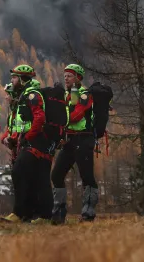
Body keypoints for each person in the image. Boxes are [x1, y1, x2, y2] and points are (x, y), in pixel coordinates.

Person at [4, 65, 53, 222]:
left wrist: (28, 137)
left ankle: (23, 213)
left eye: (14, 78)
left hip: (36, 139)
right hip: (28, 139)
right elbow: (22, 123)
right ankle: (28, 214)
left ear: (22, 79)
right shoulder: (24, 95)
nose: (12, 81)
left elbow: (39, 118)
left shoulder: (32, 95)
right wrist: (14, 137)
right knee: (32, 176)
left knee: (20, 171)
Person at [51, 63, 98, 223]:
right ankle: (59, 212)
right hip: (70, 140)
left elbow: (76, 115)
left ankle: (88, 213)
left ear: (78, 78)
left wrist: (60, 118)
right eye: (64, 75)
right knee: (56, 174)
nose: (66, 78)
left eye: (69, 75)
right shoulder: (67, 95)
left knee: (86, 176)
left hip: (83, 139)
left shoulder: (85, 95)